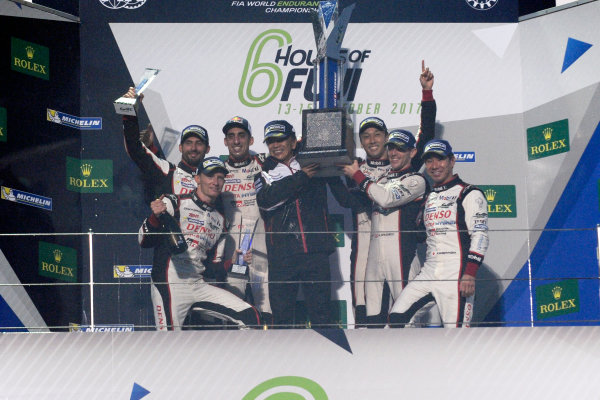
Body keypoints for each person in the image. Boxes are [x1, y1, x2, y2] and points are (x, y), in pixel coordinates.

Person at [343, 61, 436, 327]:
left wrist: (427, 94)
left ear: (386, 138)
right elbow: (346, 199)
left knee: (404, 318)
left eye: (378, 135)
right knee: (366, 320)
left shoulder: (406, 169)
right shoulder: (354, 167)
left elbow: (426, 135)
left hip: (399, 248)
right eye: (366, 136)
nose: (372, 140)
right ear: (361, 142)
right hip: (364, 250)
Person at [139, 157, 261, 330]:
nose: (216, 182)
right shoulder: (175, 202)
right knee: (168, 344)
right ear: (197, 179)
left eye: (220, 177)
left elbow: (212, 268)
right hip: (170, 283)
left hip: (198, 284)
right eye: (210, 176)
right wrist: (154, 217)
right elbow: (142, 240)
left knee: (250, 316)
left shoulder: (220, 219)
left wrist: (232, 262)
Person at [388, 139, 489, 328]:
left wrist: (470, 274)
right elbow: (421, 234)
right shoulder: (429, 197)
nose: (434, 166)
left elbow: (480, 236)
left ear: (452, 160)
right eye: (429, 161)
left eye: (440, 159)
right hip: (429, 271)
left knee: (457, 336)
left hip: (456, 274)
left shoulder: (469, 193)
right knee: (396, 319)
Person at [340, 129, 429, 327]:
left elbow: (387, 199)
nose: (394, 153)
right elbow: (351, 200)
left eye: (401, 149)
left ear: (412, 153)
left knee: (406, 319)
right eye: (391, 148)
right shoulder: (380, 181)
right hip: (374, 256)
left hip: (402, 256)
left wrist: (357, 174)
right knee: (372, 319)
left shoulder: (416, 180)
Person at [254, 120, 338, 329]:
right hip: (282, 256)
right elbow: (266, 201)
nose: (276, 145)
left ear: (293, 142)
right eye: (271, 141)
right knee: (282, 318)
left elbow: (323, 132)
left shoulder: (312, 162)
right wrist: (301, 178)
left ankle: (327, 359)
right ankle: (284, 360)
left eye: (281, 139)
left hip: (315, 252)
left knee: (322, 316)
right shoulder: (264, 174)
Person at [220, 116, 272, 323]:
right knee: (234, 304)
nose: (236, 141)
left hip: (261, 249)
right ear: (225, 141)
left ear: (251, 140)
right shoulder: (217, 171)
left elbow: (290, 153)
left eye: (242, 136)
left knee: (265, 304)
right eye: (231, 136)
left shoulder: (265, 162)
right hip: (234, 251)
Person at [120, 87, 209, 199]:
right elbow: (134, 148)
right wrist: (128, 111)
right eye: (188, 143)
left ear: (207, 149)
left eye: (199, 143)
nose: (193, 148)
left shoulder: (219, 178)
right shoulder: (168, 170)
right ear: (180, 147)